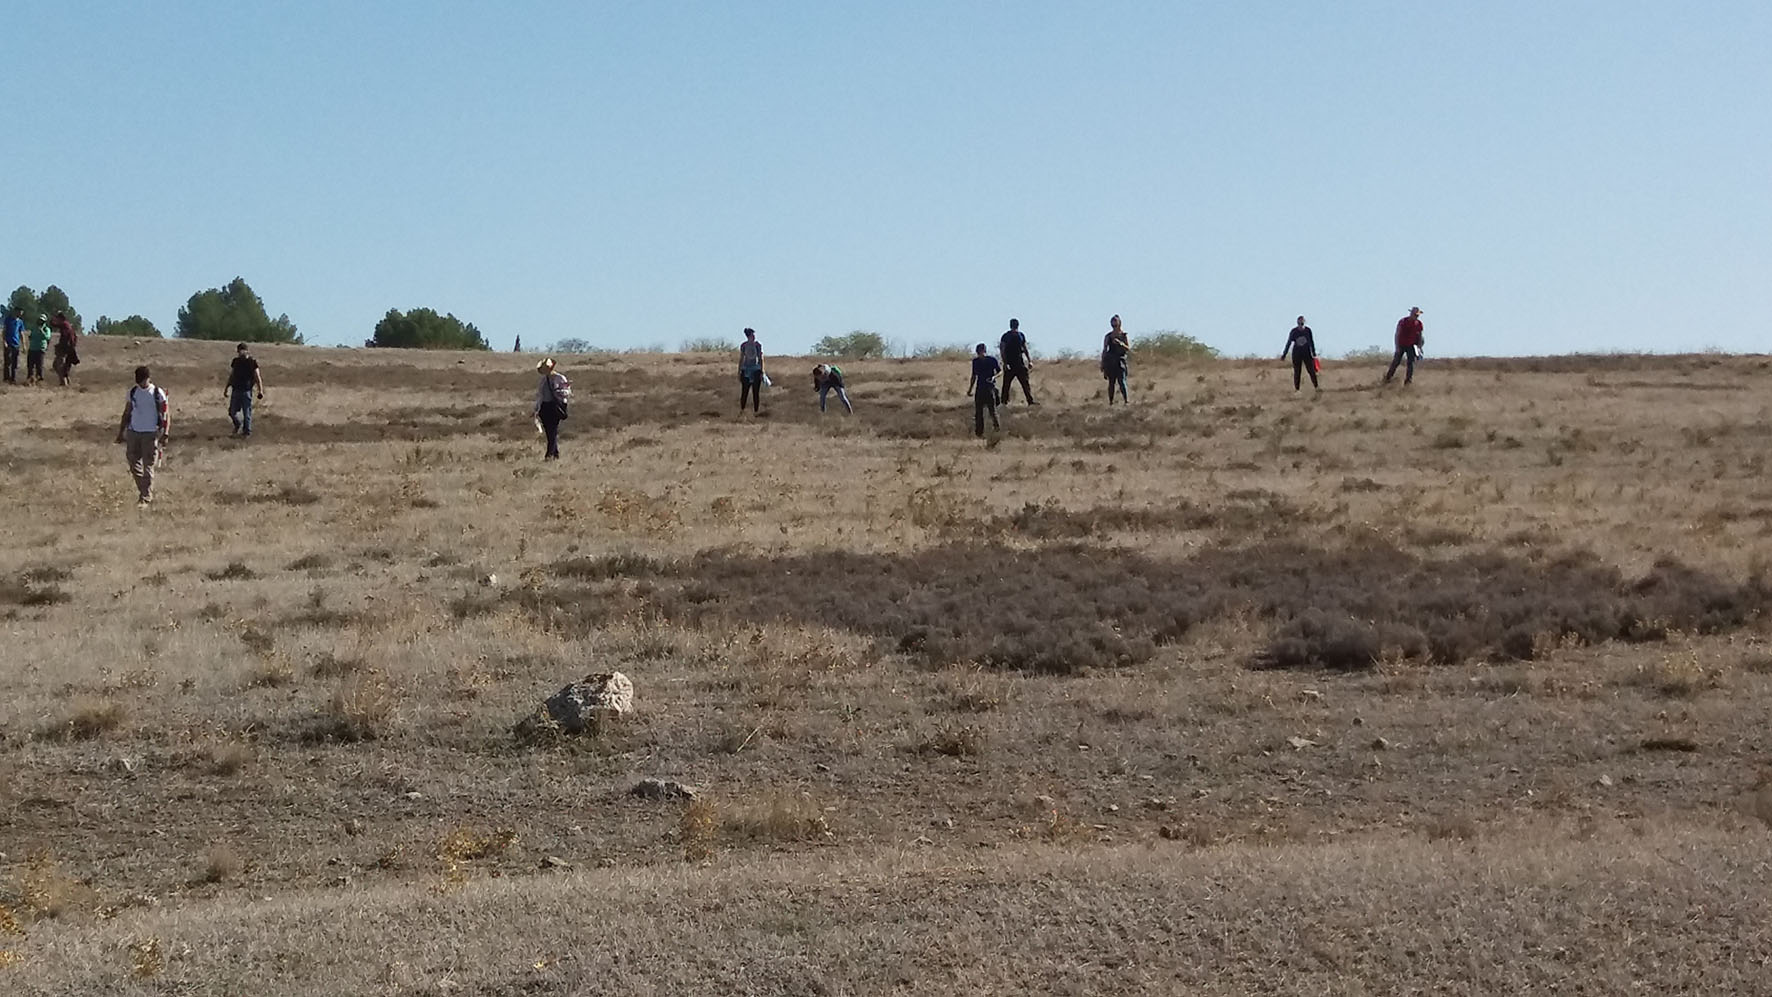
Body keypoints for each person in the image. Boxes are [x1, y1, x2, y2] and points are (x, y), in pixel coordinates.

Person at [115, 365, 170, 507]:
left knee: (148, 466)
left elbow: (166, 414)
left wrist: (166, 433)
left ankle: (145, 498)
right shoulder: (132, 392)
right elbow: (127, 412)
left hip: (150, 433)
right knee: (133, 463)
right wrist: (121, 431)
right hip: (134, 432)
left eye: (142, 381)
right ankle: (145, 491)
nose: (140, 384)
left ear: (148, 378)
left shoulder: (158, 393)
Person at [533, 357, 571, 460]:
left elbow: (566, 393)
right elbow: (540, 395)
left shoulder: (560, 378)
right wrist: (537, 409)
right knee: (549, 431)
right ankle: (555, 453)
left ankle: (549, 454)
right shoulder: (543, 380)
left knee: (552, 430)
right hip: (545, 407)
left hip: (555, 407)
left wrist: (557, 392)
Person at [225, 343, 265, 436]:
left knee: (247, 413)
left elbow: (257, 377)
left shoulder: (252, 362)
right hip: (236, 390)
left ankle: (247, 432)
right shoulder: (236, 362)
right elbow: (232, 375)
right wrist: (227, 388)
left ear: (247, 351)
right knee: (232, 412)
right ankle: (238, 424)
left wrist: (260, 391)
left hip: (246, 391)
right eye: (239, 351)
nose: (241, 352)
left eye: (243, 350)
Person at [998, 318, 1036, 405]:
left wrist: (1029, 360)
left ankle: (1030, 401)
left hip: (1016, 363)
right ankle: (1004, 402)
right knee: (1009, 384)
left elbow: (1002, 350)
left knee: (1023, 383)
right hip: (1014, 363)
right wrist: (1029, 360)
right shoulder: (1010, 336)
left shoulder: (1017, 335)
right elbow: (1003, 349)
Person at [966, 343, 1001, 437]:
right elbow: (974, 376)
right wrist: (970, 389)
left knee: (992, 411)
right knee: (978, 412)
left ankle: (997, 429)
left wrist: (994, 377)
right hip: (980, 388)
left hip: (990, 388)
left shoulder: (992, 360)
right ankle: (979, 433)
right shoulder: (975, 361)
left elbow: (1000, 371)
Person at [1384, 307, 1424, 385]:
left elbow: (1420, 336)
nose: (1416, 317)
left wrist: (1419, 347)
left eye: (1417, 315)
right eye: (1415, 315)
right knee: (1396, 362)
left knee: (1410, 364)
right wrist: (1397, 347)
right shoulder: (1403, 322)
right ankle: (1387, 379)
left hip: (1412, 346)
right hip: (1401, 345)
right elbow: (1397, 334)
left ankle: (1408, 382)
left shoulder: (1419, 324)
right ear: (1411, 314)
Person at [1281, 316, 1319, 391]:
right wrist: (1284, 354)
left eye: (1302, 323)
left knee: (1311, 370)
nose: (1301, 324)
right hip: (1296, 354)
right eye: (1299, 323)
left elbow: (1311, 342)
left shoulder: (1308, 331)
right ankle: (1297, 389)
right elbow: (1289, 343)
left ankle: (1316, 387)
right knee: (1297, 372)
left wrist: (1313, 353)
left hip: (1307, 353)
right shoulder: (1294, 331)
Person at [1101, 315, 1130, 404]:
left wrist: (1121, 344)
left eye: (1116, 322)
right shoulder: (1108, 336)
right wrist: (1102, 363)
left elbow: (1128, 348)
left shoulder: (1123, 335)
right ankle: (1111, 402)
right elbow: (1105, 350)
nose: (1114, 324)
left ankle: (1126, 401)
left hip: (1120, 361)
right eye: (1113, 323)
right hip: (1110, 362)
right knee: (1111, 383)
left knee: (1122, 381)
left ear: (1119, 323)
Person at [738, 328, 766, 414]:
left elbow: (760, 358)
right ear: (748, 336)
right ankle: (742, 410)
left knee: (756, 392)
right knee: (744, 392)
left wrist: (762, 371)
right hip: (746, 369)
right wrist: (739, 371)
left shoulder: (758, 345)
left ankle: (756, 411)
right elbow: (741, 358)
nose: (754, 337)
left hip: (756, 370)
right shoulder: (743, 346)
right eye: (752, 335)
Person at [50, 312, 78, 386]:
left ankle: (63, 382)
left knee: (58, 365)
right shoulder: (68, 325)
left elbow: (54, 325)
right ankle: (67, 382)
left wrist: (60, 346)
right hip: (70, 349)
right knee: (64, 367)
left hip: (64, 349)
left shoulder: (64, 325)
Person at [25, 314, 50, 384]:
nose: (40, 322)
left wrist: (41, 331)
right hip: (32, 349)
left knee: (39, 366)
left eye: (42, 320)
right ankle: (30, 380)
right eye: (39, 320)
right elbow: (31, 336)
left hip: (40, 349)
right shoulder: (34, 328)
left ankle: (39, 380)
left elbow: (47, 337)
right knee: (30, 366)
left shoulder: (46, 329)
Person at [1, 308, 22, 384]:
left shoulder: (20, 322)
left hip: (16, 344)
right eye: (19, 312)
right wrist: (4, 341)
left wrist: (24, 345)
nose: (20, 314)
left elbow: (21, 333)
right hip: (8, 344)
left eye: (21, 313)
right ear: (15, 311)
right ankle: (6, 378)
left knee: (15, 363)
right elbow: (4, 331)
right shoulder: (8, 320)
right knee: (7, 362)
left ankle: (13, 379)